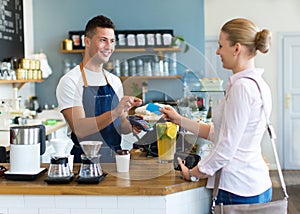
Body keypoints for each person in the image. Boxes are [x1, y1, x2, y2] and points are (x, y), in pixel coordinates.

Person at [160, 18, 273, 205]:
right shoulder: (259, 84)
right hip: (256, 184)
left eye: (221, 46)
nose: (217, 51)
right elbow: (217, 133)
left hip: (237, 188)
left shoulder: (242, 88)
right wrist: (179, 119)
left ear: (237, 48)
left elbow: (226, 149)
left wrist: (194, 173)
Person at [56, 15, 142, 163]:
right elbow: (80, 128)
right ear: (87, 41)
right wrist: (115, 111)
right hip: (83, 163)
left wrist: (135, 124)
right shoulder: (70, 81)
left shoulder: (114, 81)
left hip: (115, 160)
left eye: (112, 41)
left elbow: (122, 126)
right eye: (103, 40)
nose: (109, 46)